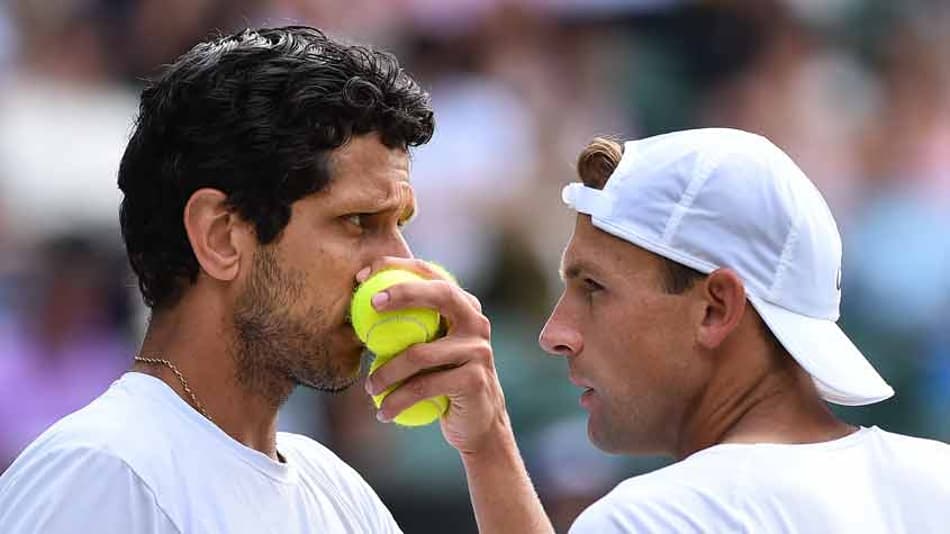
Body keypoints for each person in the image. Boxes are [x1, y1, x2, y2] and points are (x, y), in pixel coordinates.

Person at [0, 26, 551, 533]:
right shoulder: (101, 475)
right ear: (220, 235)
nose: (398, 264)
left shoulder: (339, 493)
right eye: (359, 222)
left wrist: (488, 444)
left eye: (399, 226)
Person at [534, 128, 950, 532]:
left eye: (593, 287)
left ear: (716, 309)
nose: (555, 333)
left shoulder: (643, 519)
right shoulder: (938, 482)